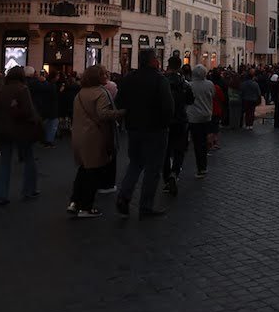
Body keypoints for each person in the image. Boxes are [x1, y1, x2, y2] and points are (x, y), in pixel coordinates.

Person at [115, 49, 173, 218]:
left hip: (134, 128)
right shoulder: (159, 79)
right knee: (153, 168)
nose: (158, 61)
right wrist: (165, 122)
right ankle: (145, 206)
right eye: (157, 58)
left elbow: (119, 102)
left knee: (135, 164)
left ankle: (124, 196)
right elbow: (168, 107)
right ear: (152, 61)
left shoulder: (129, 79)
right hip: (156, 129)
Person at [68, 65, 124, 218]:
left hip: (79, 135)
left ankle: (74, 202)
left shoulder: (80, 93)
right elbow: (103, 114)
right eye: (103, 73)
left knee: (83, 169)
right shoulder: (100, 93)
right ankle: (86, 207)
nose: (106, 74)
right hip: (94, 136)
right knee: (93, 172)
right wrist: (120, 113)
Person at [0, 66, 41, 205]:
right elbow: (28, 111)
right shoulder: (22, 89)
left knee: (4, 162)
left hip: (4, 129)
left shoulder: (1, 90)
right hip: (22, 129)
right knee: (28, 158)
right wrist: (15, 108)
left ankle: (1, 194)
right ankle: (29, 189)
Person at [163, 58, 193, 195]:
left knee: (165, 150)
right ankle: (175, 173)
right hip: (181, 119)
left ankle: (166, 177)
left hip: (165, 120)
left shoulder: (162, 81)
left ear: (168, 65)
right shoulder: (184, 83)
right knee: (179, 150)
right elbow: (191, 100)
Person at [186, 64, 215, 179]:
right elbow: (213, 95)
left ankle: (201, 168)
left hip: (194, 117)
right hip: (207, 116)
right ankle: (204, 163)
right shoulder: (210, 84)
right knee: (205, 141)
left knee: (197, 143)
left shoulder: (190, 85)